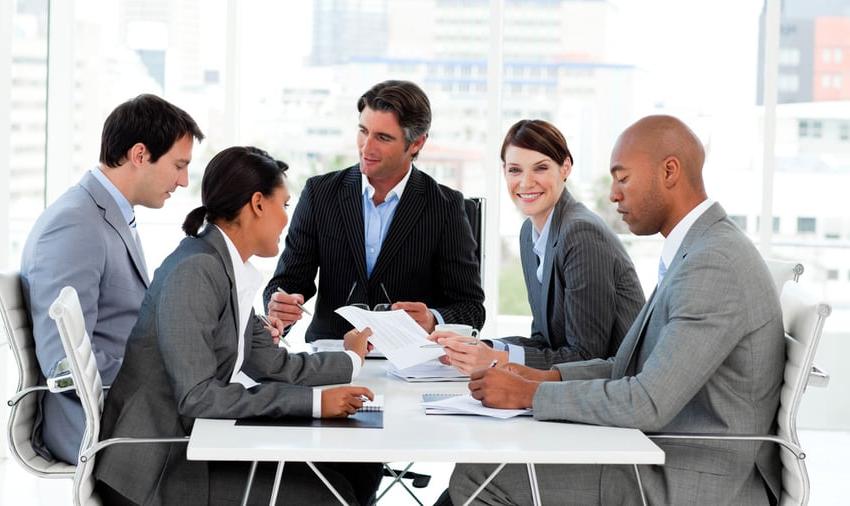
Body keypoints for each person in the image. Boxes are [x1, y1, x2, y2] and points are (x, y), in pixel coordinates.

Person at [449, 115, 785, 505]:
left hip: (694, 474)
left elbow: (648, 401)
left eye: (623, 178)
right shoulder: (699, 249)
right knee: (484, 464)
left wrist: (529, 395)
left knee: (479, 476)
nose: (613, 194)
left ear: (669, 171)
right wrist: (542, 378)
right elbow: (635, 367)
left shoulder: (713, 264)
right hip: (665, 448)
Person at [94, 146, 382, 505]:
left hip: (196, 445)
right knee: (331, 494)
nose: (286, 219)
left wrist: (350, 358)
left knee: (356, 472)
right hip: (158, 469)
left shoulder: (222, 267)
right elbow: (198, 396)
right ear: (258, 204)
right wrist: (315, 403)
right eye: (284, 205)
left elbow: (271, 364)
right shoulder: (196, 271)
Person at [20, 94, 204, 464]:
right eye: (178, 165)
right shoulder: (75, 224)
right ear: (139, 155)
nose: (184, 181)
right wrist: (170, 380)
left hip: (131, 412)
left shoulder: (108, 216)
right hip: (103, 430)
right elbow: (64, 364)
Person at [263, 79, 485, 341]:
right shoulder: (320, 193)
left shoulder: (445, 207)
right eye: (363, 131)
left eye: (383, 137)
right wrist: (279, 305)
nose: (366, 147)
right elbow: (289, 280)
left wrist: (432, 319)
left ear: (416, 143)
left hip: (409, 361)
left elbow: (471, 309)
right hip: (333, 352)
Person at [430, 119, 644, 372]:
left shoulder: (580, 232)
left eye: (540, 168)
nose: (526, 182)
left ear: (565, 167)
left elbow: (586, 356)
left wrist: (497, 358)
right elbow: (544, 341)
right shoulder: (529, 233)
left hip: (613, 388)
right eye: (515, 170)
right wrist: (477, 347)